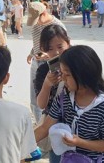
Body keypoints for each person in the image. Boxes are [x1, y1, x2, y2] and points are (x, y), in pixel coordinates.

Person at [35, 45, 104, 163]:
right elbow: (44, 128)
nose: (62, 79)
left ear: (84, 75)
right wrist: (19, 143)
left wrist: (80, 142)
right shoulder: (63, 98)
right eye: (61, 73)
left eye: (67, 74)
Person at [34, 24, 71, 162]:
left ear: (68, 43)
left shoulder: (79, 63)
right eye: (50, 49)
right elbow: (41, 104)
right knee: (57, 157)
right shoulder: (43, 71)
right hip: (54, 125)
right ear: (43, 50)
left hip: (79, 124)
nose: (56, 52)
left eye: (60, 46)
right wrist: (47, 84)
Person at [26, 2, 66, 123]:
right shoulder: (35, 24)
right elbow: (37, 42)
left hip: (51, 63)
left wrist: (48, 55)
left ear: (43, 13)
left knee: (50, 95)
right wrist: (32, 52)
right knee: (34, 97)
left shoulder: (57, 26)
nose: (35, 22)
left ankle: (48, 122)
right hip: (36, 61)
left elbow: (63, 48)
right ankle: (40, 123)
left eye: (36, 19)